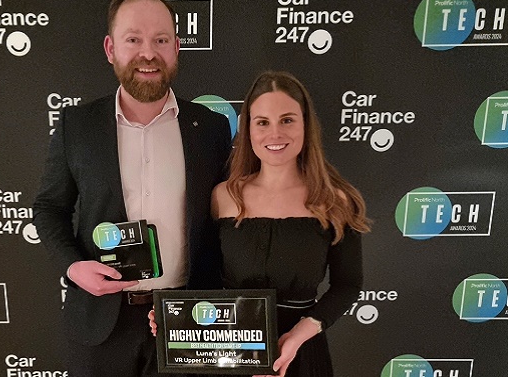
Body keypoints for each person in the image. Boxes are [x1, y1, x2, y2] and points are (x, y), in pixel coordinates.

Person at [33, 0, 231, 377]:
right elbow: (49, 209)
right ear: (111, 49)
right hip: (100, 325)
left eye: (160, 40)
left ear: (176, 46)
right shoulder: (79, 125)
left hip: (188, 321)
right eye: (133, 40)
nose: (148, 53)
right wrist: (73, 268)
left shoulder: (211, 128)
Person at [150, 71, 369, 377]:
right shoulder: (224, 196)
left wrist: (296, 338)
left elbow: (347, 285)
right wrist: (174, 316)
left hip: (301, 356)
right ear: (248, 128)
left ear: (306, 125)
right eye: (263, 122)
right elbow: (204, 277)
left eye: (287, 120)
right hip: (230, 355)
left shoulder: (335, 201)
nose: (274, 133)